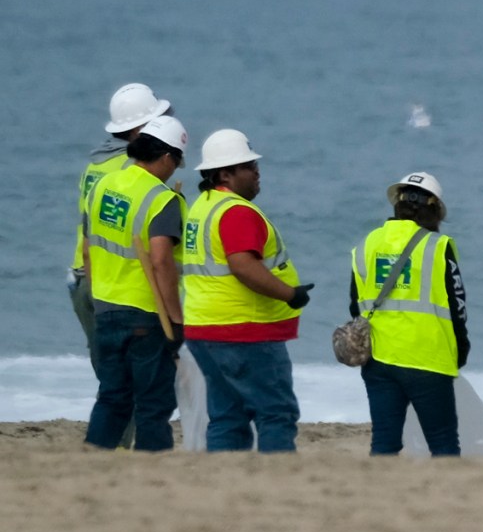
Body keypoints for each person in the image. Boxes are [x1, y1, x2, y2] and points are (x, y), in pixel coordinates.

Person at [178, 129, 309, 452]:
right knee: (276, 412)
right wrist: (289, 294)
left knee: (227, 415)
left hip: (203, 328)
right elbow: (243, 265)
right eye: (249, 166)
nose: (257, 172)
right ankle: (276, 485)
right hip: (244, 331)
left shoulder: (201, 207)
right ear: (226, 173)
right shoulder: (236, 212)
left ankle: (226, 486)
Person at [81, 115, 188, 452]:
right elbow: (161, 262)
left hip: (105, 306)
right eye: (177, 161)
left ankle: (92, 461)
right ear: (167, 157)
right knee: (153, 404)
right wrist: (176, 319)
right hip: (146, 313)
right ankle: (151, 470)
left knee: (112, 398)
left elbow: (87, 249)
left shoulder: (103, 185)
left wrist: (99, 299)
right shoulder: (162, 199)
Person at [350, 172, 469, 456]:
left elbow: (355, 305)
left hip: (379, 360)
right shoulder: (438, 247)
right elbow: (457, 307)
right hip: (427, 358)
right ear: (435, 210)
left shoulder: (367, 244)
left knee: (384, 443)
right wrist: (461, 347)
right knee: (442, 443)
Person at [73, 83, 169, 376]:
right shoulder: (134, 168)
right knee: (135, 381)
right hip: (115, 285)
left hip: (84, 278)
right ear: (140, 129)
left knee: (110, 378)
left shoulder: (97, 164)